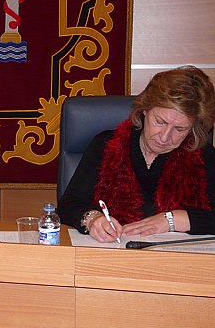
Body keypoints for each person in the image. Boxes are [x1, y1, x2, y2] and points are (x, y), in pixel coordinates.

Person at [58, 66, 215, 242]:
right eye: (160, 122)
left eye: (179, 129)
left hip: (175, 257)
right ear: (145, 110)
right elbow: (68, 205)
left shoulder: (203, 157)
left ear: (193, 128)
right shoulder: (107, 145)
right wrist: (92, 219)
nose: (164, 137)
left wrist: (174, 219)